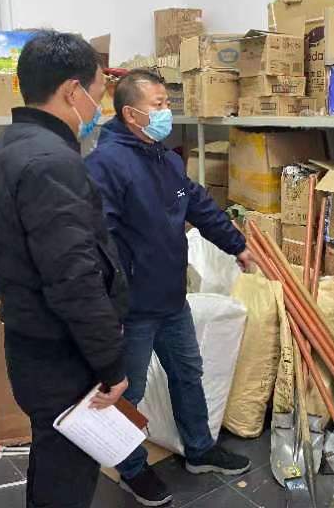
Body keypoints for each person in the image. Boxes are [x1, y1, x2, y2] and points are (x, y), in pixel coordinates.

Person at [85, 69, 252, 506]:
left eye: (167, 103)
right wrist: (110, 310)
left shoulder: (166, 159)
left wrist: (237, 245)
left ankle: (200, 449)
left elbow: (200, 205)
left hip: (172, 300)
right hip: (133, 309)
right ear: (131, 113)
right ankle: (132, 469)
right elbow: (100, 244)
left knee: (187, 373)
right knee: (129, 393)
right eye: (158, 105)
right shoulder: (105, 166)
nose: (166, 113)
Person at [0, 31, 129, 508]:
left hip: (29, 338)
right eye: (100, 93)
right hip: (61, 352)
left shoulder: (6, 148)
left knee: (53, 458)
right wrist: (110, 364)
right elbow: (74, 279)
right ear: (72, 91)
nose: (100, 107)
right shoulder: (51, 162)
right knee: (67, 473)